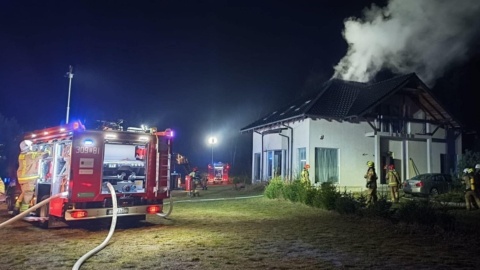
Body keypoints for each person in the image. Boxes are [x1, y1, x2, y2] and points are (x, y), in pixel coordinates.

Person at [14, 140, 48, 214]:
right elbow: (44, 155)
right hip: (29, 178)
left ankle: (16, 208)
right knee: (28, 194)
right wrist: (47, 150)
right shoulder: (31, 155)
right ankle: (24, 211)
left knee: (24, 192)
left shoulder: (21, 155)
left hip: (22, 177)